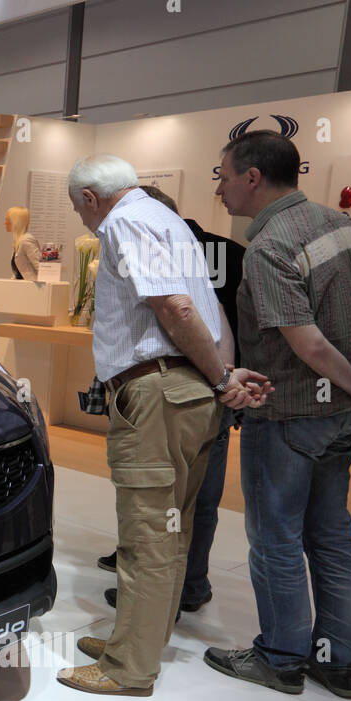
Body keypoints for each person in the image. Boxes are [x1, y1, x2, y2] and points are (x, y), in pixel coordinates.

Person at [55, 154, 271, 698]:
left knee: (149, 531)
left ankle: (129, 666)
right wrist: (222, 373)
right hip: (187, 392)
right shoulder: (170, 220)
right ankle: (140, 638)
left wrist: (222, 377)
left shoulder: (124, 221)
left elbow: (174, 307)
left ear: (89, 198)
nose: (83, 220)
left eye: (78, 209)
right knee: (173, 528)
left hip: (157, 393)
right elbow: (205, 306)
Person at [204, 131, 351, 699]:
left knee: (275, 536)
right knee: (329, 533)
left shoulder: (272, 245)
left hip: (289, 416)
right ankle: (337, 660)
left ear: (253, 178)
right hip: (341, 418)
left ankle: (280, 656)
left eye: (224, 176)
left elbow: (310, 344)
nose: (221, 189)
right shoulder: (347, 226)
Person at [98, 184, 247, 618]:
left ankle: (164, 596)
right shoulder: (224, 250)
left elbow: (186, 313)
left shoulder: (158, 245)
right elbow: (220, 318)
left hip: (184, 388)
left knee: (163, 504)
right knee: (186, 500)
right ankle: (178, 588)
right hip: (215, 385)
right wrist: (226, 383)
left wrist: (221, 381)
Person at [5, 206, 41, 280]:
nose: (5, 223)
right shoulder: (18, 241)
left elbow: (39, 266)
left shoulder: (26, 240)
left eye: (7, 220)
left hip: (32, 287)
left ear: (15, 221)